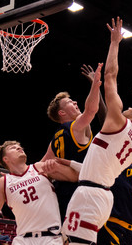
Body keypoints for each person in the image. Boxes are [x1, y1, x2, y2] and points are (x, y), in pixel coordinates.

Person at [62, 17, 132, 245]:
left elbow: (110, 76)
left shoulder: (119, 124)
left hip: (93, 197)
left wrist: (115, 43)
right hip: (103, 198)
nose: (129, 107)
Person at [0, 140, 79, 245]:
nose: (19, 148)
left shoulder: (39, 167)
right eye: (13, 147)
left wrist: (58, 167)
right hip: (23, 240)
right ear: (5, 159)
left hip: (51, 238)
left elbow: (76, 177)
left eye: (20, 146)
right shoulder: (3, 183)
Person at [43, 62, 103, 220]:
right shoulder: (75, 127)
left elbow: (40, 166)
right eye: (70, 102)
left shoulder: (56, 137)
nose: (75, 102)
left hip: (60, 194)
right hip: (79, 193)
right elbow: (91, 110)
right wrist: (95, 84)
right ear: (62, 112)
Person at [97, 87, 132, 245]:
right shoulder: (119, 152)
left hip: (128, 228)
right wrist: (96, 90)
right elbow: (105, 118)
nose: (129, 108)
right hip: (111, 223)